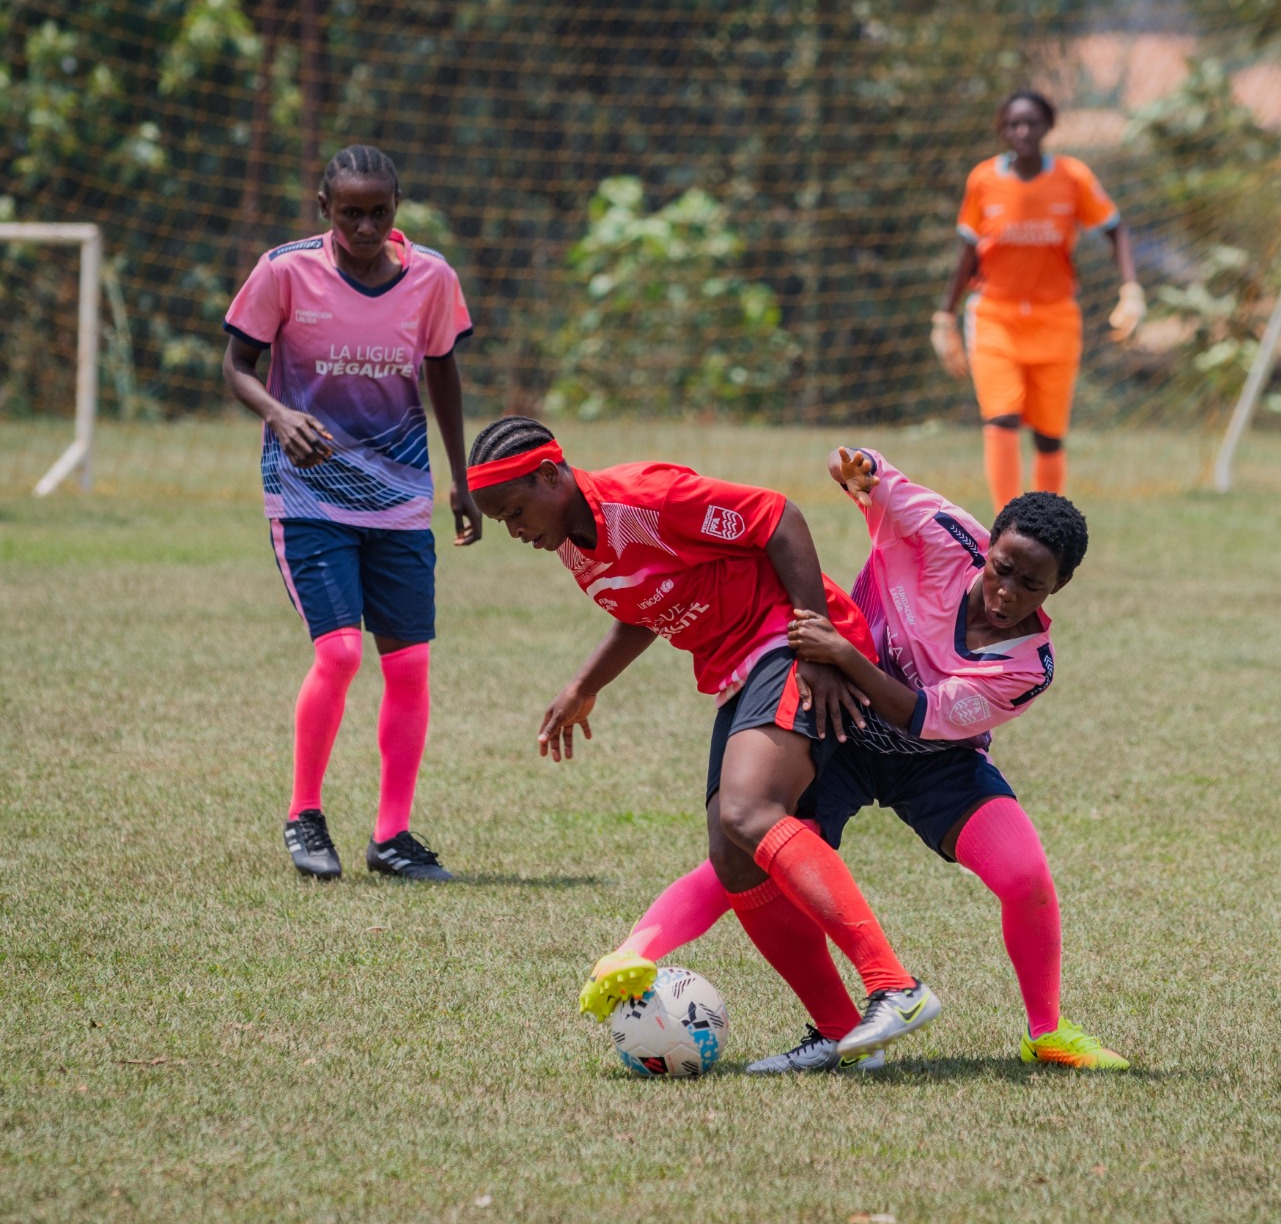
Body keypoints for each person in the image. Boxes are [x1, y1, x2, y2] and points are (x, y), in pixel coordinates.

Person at [580, 445, 1129, 1074]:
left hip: (932, 760)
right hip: (841, 727)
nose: (1007, 592)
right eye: (1001, 568)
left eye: (1032, 585)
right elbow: (874, 479)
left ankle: (1047, 1031)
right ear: (989, 546)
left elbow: (919, 714)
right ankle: (642, 956)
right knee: (755, 844)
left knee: (1025, 877)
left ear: (1059, 586)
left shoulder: (1029, 665)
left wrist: (840, 654)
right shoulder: (945, 533)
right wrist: (857, 468)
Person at [466, 418, 942, 1060]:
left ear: (550, 475)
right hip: (736, 666)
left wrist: (819, 644)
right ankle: (840, 1032)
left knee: (748, 811)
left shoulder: (646, 498)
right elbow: (643, 609)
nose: (515, 531)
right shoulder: (575, 546)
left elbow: (778, 517)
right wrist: (584, 686)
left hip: (787, 637)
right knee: (732, 854)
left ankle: (894, 987)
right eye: (503, 522)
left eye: (516, 512)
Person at [222, 144, 479, 883]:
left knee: (411, 665)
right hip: (308, 492)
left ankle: (391, 836)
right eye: (350, 214)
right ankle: (305, 814)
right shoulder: (284, 271)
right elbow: (236, 365)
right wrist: (279, 415)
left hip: (400, 495)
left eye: (378, 212)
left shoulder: (432, 277)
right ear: (324, 209)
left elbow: (443, 370)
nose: (365, 227)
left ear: (396, 209)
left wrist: (461, 480)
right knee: (338, 654)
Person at [932, 89, 1144, 512]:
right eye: (1014, 124)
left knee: (1049, 436)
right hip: (995, 317)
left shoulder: (1073, 177)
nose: (1023, 131)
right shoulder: (984, 179)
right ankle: (1007, 522)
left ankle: (1045, 529)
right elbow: (967, 252)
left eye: (1032, 123)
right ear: (1003, 130)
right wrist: (944, 317)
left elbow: (1116, 230)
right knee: (1002, 418)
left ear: (1048, 126)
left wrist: (1131, 290)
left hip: (1056, 318)